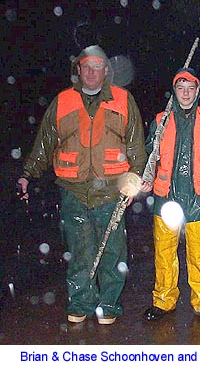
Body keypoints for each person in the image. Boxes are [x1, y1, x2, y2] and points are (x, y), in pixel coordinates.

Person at [16, 45, 147, 325]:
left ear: (106, 71)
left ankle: (109, 305)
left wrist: (134, 180)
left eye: (97, 66)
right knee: (79, 251)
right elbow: (44, 143)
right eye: (86, 66)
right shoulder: (62, 101)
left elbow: (136, 148)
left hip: (112, 191)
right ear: (78, 70)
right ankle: (80, 303)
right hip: (73, 191)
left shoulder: (124, 100)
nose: (91, 71)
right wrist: (27, 173)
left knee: (112, 252)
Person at [141, 67, 200, 328]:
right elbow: (148, 153)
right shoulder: (161, 119)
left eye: (190, 88)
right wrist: (146, 169)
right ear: (175, 91)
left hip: (199, 197)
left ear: (197, 91)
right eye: (180, 88)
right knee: (164, 252)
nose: (185, 93)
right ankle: (163, 299)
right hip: (165, 197)